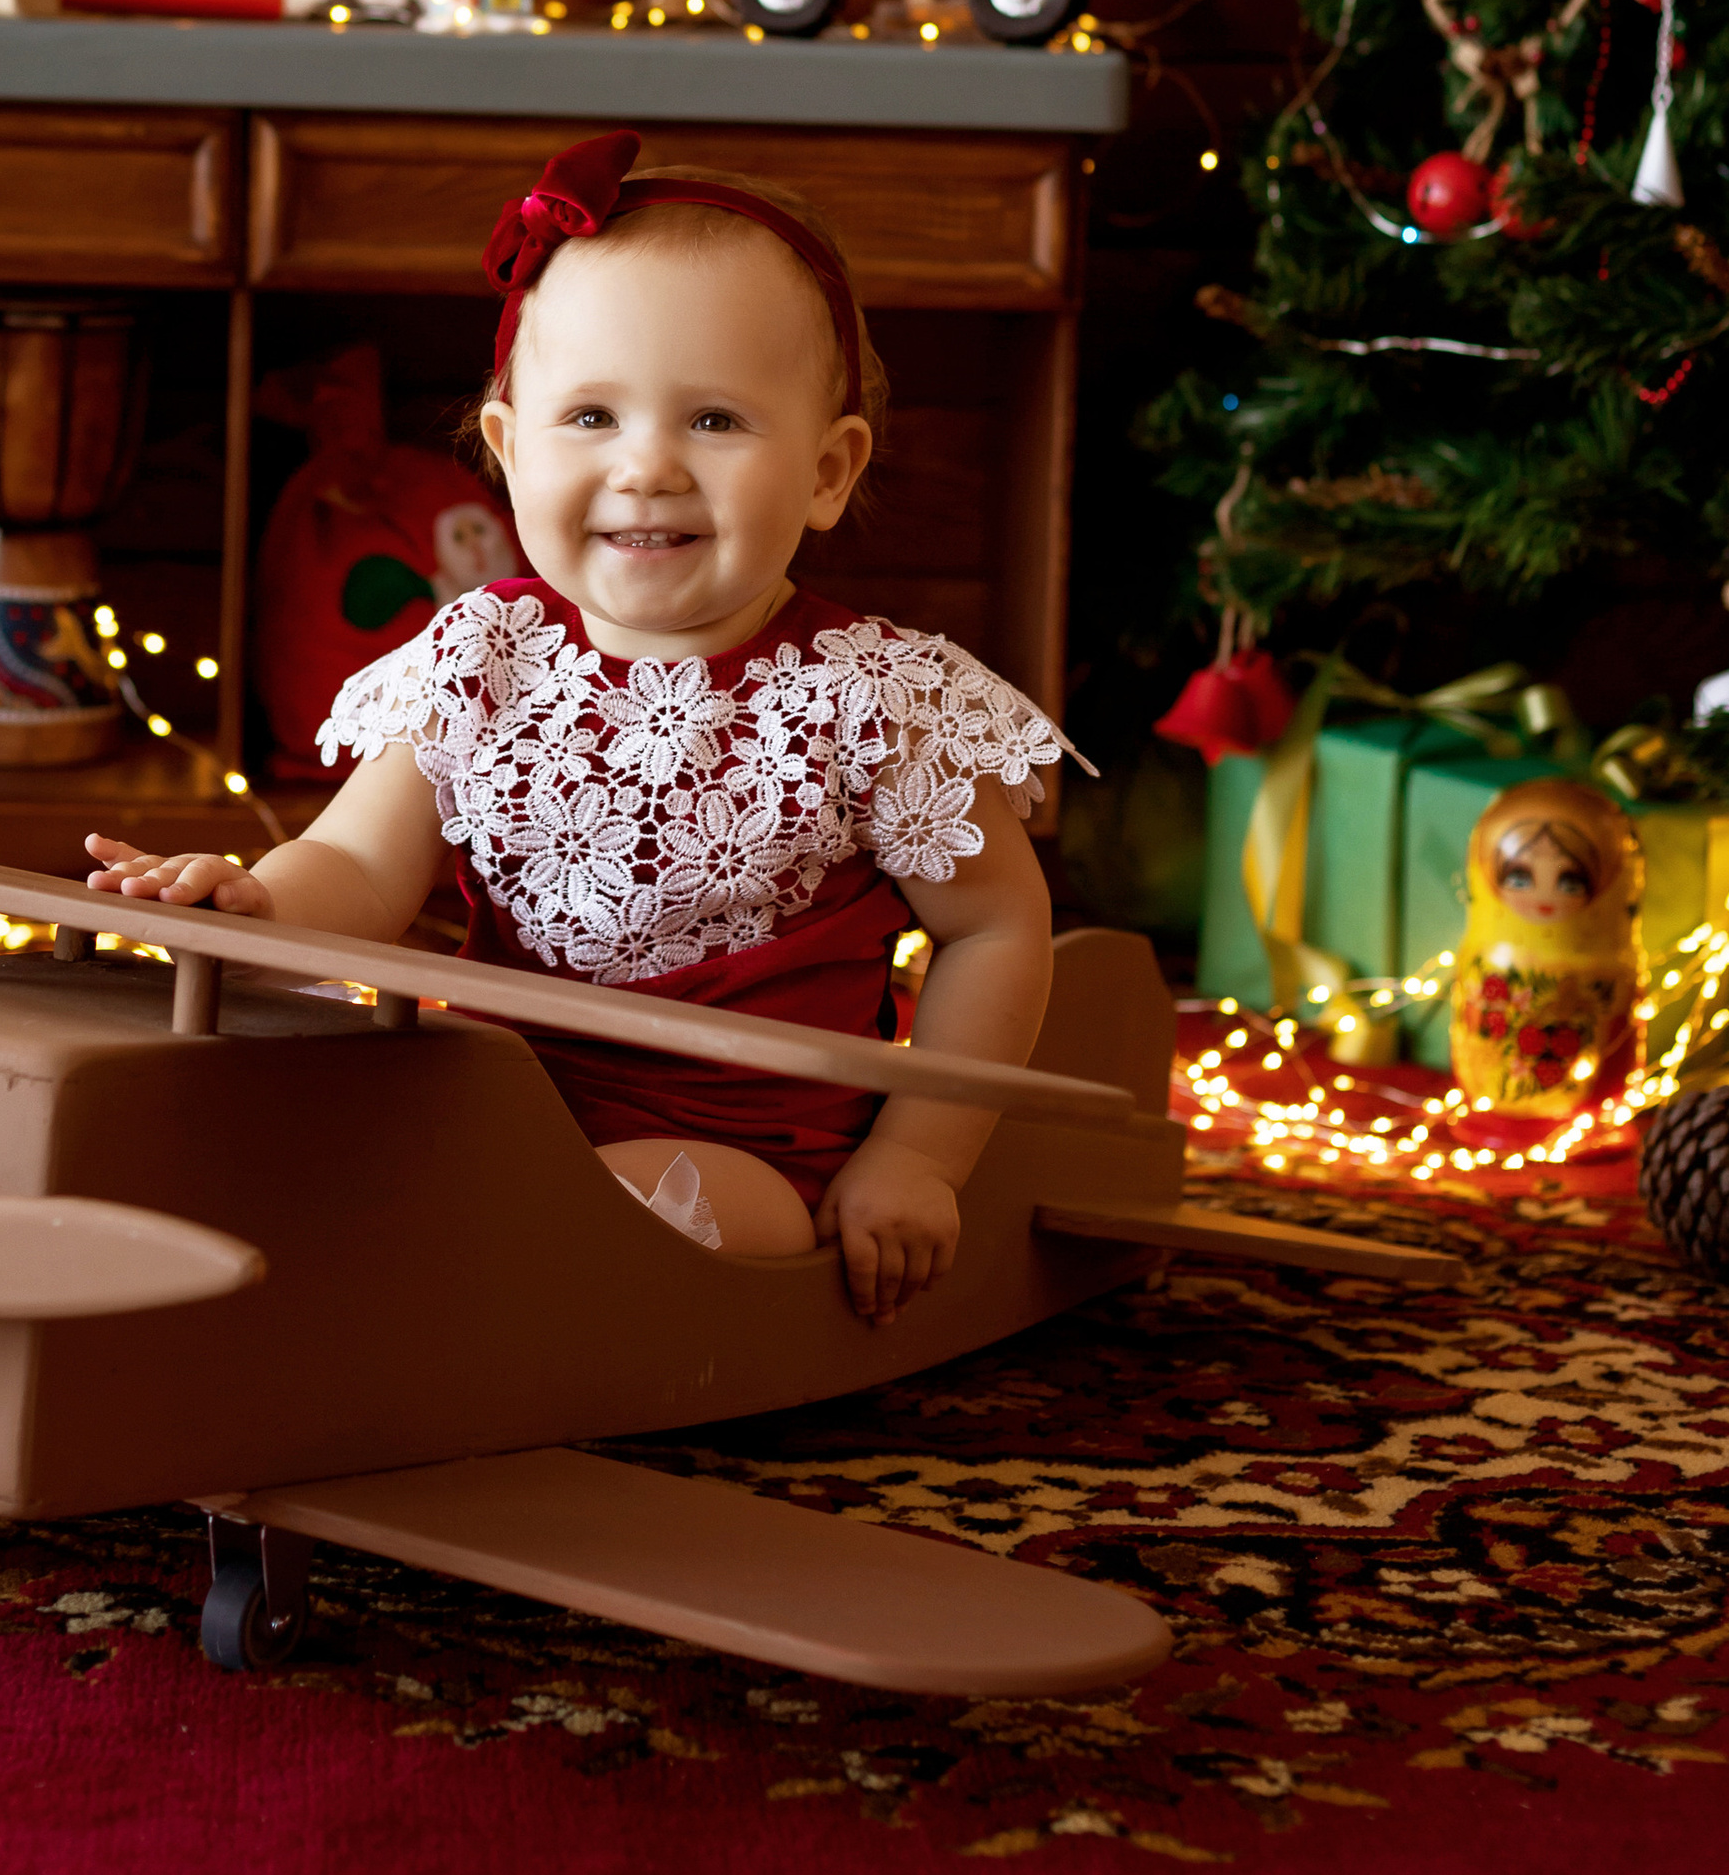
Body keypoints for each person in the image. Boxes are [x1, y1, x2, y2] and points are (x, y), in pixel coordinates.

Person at [86, 131, 1073, 1322]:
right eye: (591, 416)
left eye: (713, 421)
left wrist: (918, 1158)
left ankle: (477, 1340)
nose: (646, 465)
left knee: (634, 1215)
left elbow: (994, 933)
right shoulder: (484, 656)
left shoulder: (871, 700)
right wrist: (258, 903)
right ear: (508, 453)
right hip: (487, 1114)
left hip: (746, 1152)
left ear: (826, 471)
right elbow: (356, 864)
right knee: (277, 1148)